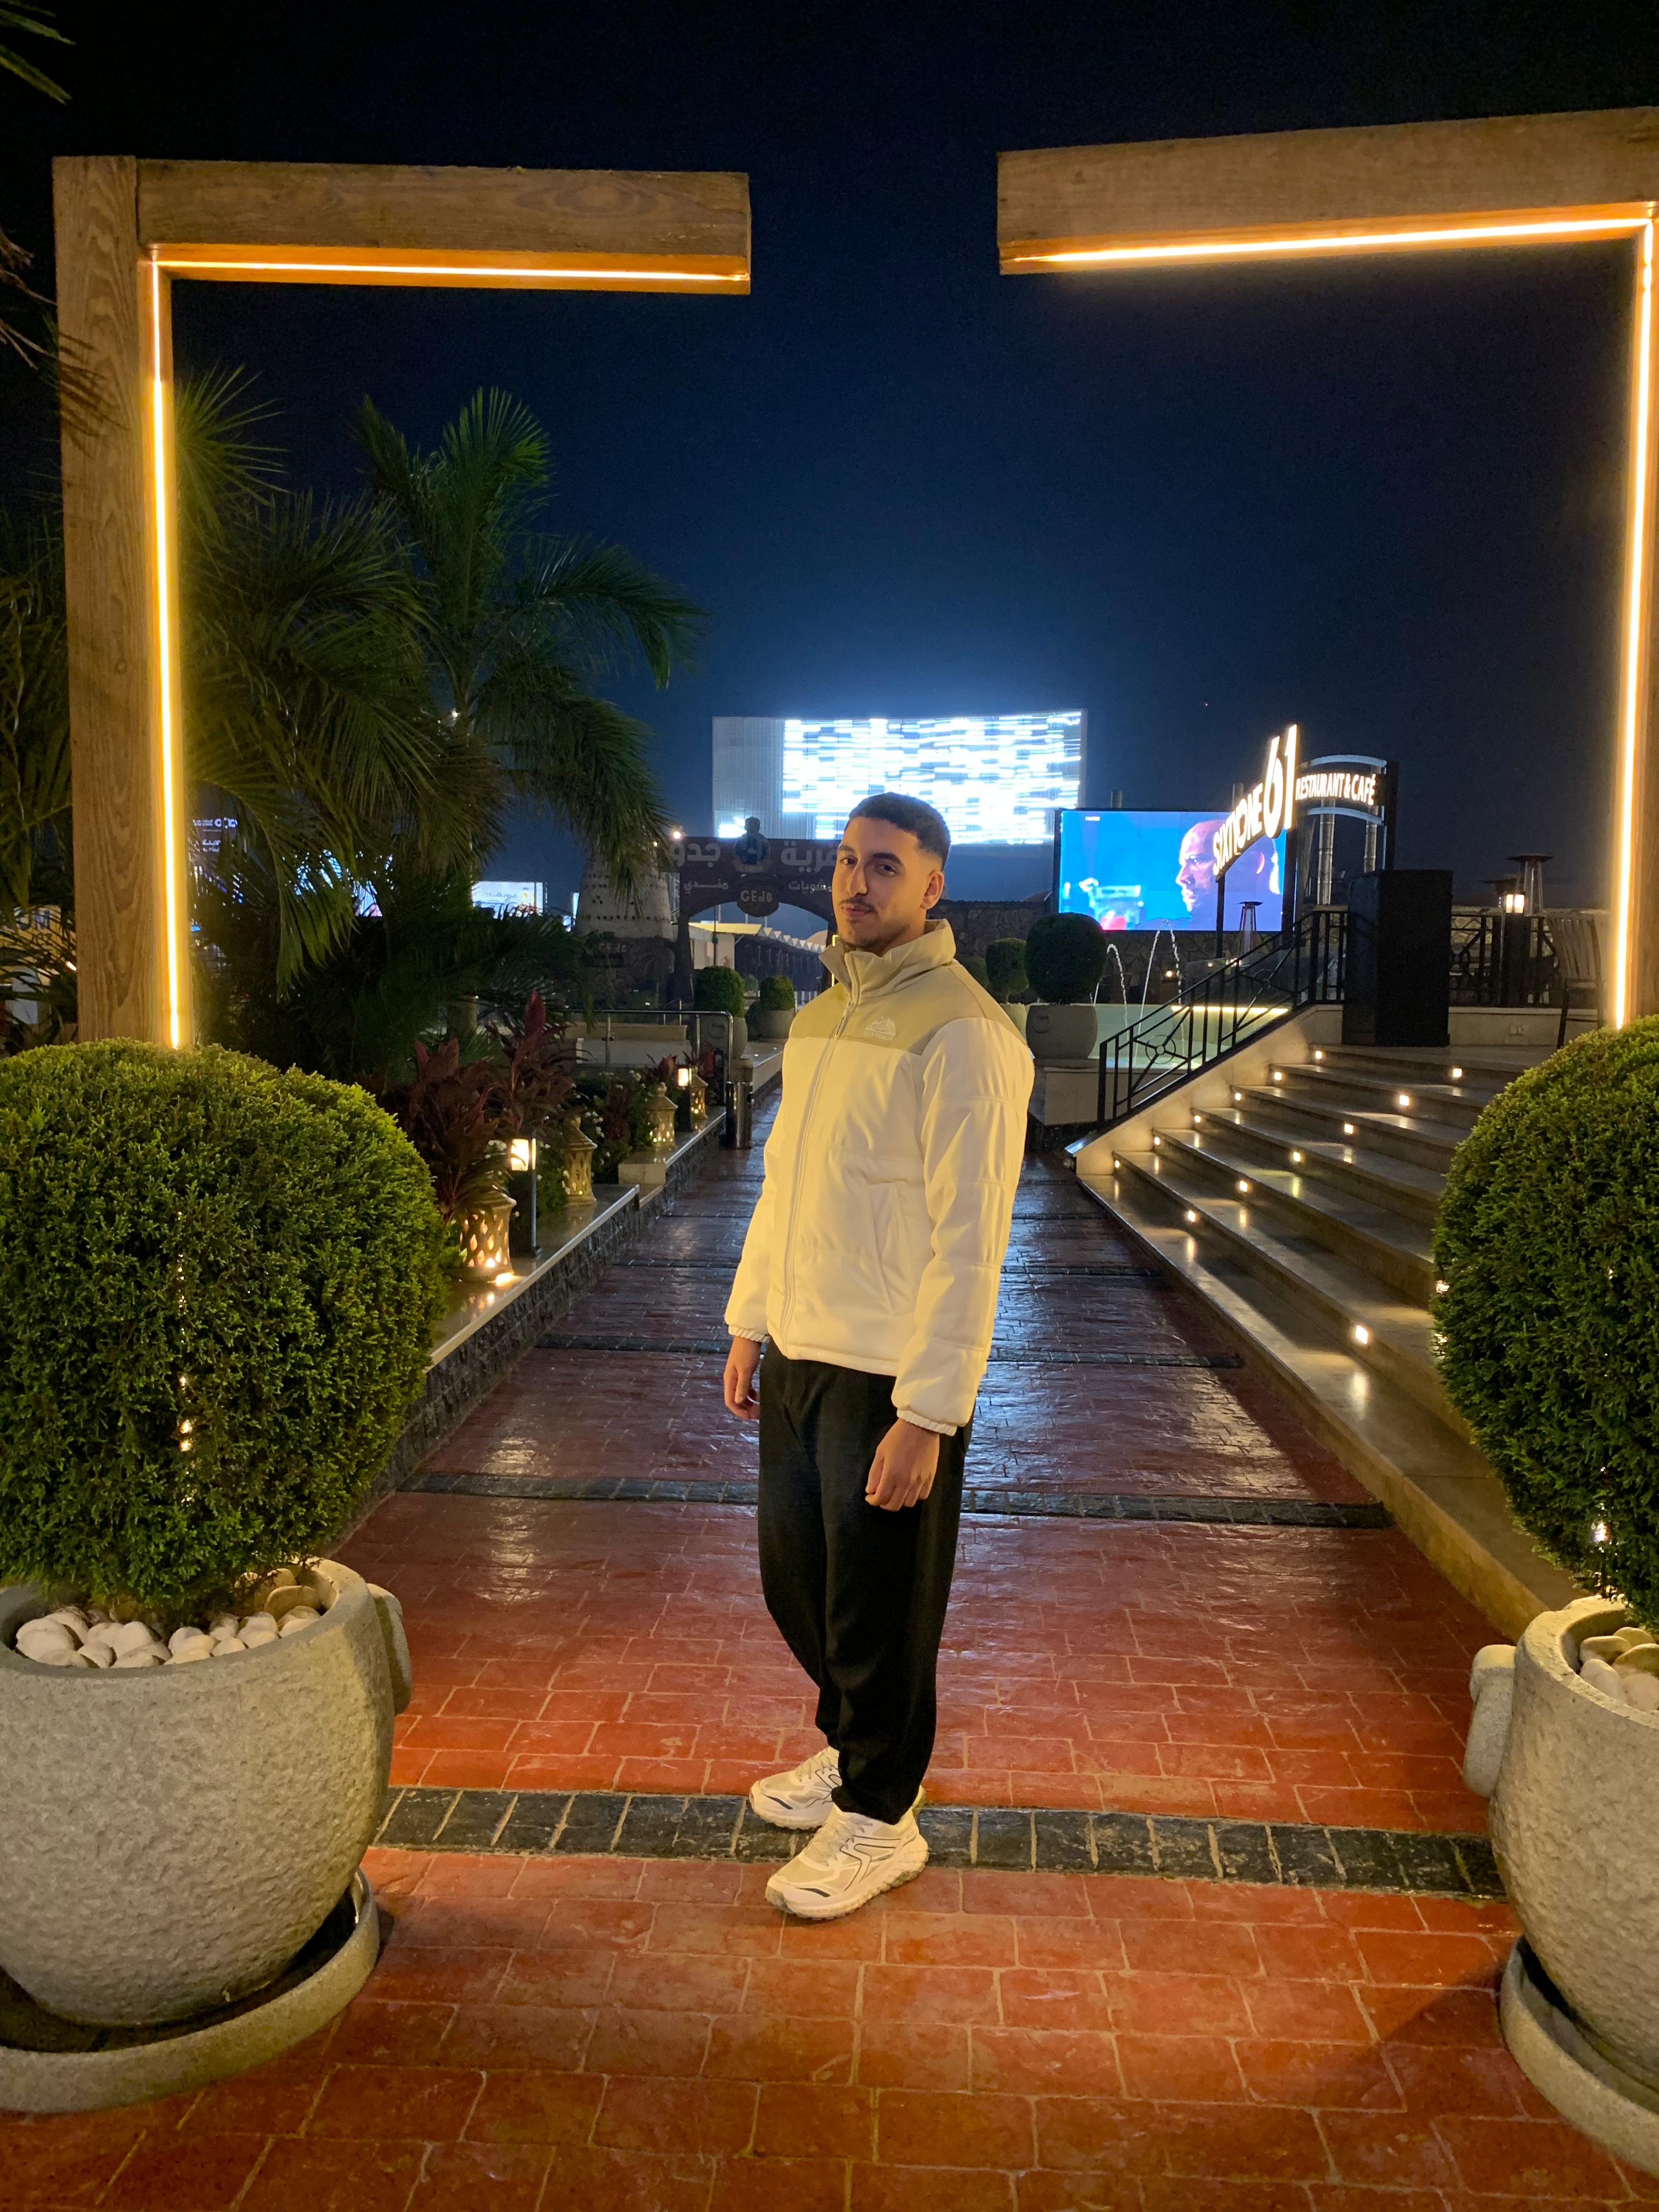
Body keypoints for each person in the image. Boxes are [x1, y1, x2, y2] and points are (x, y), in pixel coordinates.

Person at [721, 792, 1034, 1920]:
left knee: (882, 1603)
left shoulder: (967, 1032)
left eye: (885, 866)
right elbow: (785, 1186)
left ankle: (882, 1815)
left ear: (933, 887)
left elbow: (971, 1239)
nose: (858, 882)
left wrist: (929, 1413)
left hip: (888, 1375)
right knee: (797, 1583)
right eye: (849, 861)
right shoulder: (821, 1019)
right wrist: (750, 1321)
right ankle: (855, 1744)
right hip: (803, 1349)